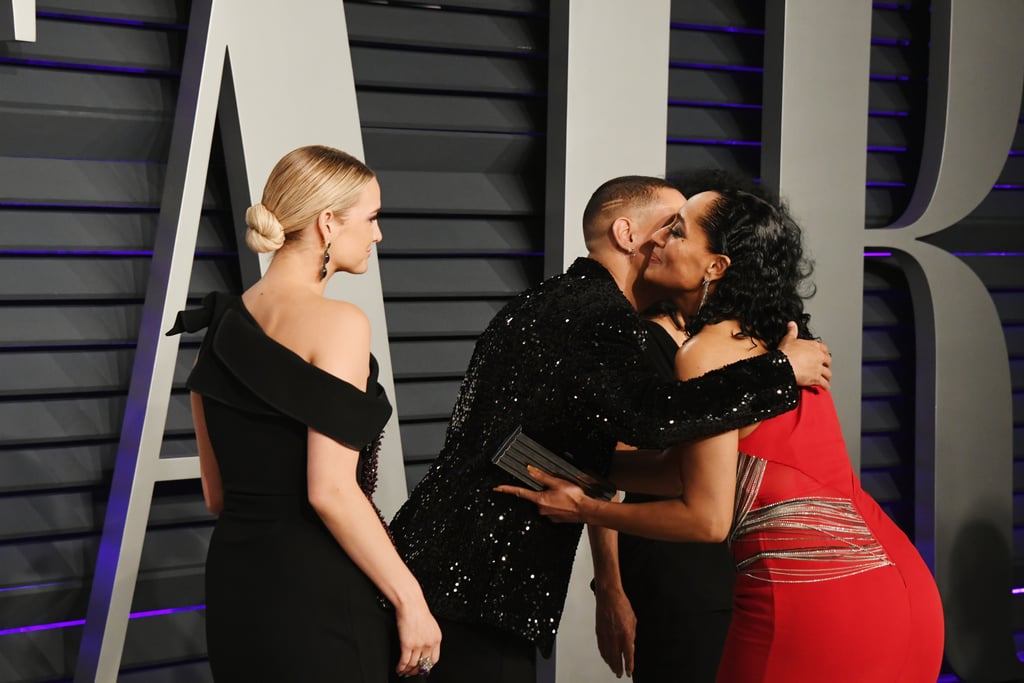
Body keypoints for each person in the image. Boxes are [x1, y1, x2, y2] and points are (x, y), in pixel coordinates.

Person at [388, 175, 833, 682]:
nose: (667, 242)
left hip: (451, 565)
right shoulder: (600, 314)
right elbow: (653, 415)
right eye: (668, 227)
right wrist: (780, 370)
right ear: (627, 234)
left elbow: (556, 443)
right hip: (478, 577)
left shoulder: (549, 302)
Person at [499, 185, 945, 682]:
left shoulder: (705, 352)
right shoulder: (778, 340)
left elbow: (707, 519)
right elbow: (692, 472)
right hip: (896, 581)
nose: (661, 240)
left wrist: (584, 508)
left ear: (716, 267)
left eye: (679, 231)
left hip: (812, 589)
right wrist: (589, 462)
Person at [166, 145, 441, 681]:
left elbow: (216, 495)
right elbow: (330, 490)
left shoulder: (214, 332)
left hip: (236, 588)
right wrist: (411, 600)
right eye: (372, 217)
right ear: (327, 223)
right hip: (317, 585)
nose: (379, 234)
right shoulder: (340, 323)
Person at [591, 171, 771, 682]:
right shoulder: (636, 341)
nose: (661, 244)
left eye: (677, 231)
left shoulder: (728, 341)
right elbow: (608, 467)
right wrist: (610, 586)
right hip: (673, 570)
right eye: (664, 229)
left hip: (736, 567)